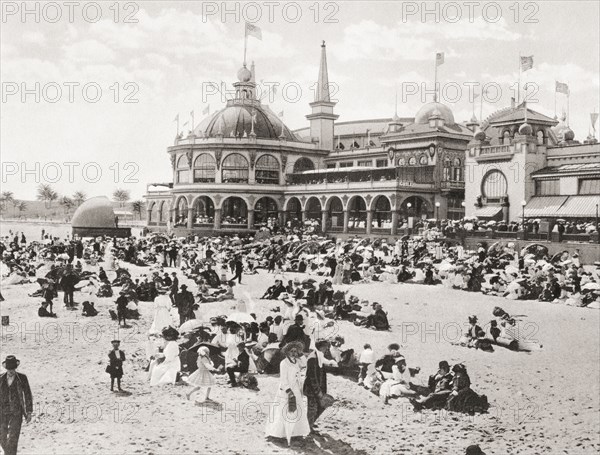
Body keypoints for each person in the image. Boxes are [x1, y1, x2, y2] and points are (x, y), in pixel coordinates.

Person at [265, 341, 310, 446]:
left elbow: (305, 363)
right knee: (284, 411)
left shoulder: (297, 361)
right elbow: (283, 379)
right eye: (292, 351)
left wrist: (301, 355)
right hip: (286, 390)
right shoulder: (284, 363)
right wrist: (289, 391)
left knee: (296, 410)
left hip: (297, 389)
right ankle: (279, 434)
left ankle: (296, 433)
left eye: (295, 351)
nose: (294, 353)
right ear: (287, 352)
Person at [0, 355, 33, 455]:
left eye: (13, 368)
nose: (11, 371)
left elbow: (27, 394)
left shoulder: (22, 378)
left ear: (15, 368)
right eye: (9, 369)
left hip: (17, 412)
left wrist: (29, 411)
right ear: (6, 368)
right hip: (2, 413)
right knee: (2, 437)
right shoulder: (0, 379)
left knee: (13, 439)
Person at [304, 340, 329, 433]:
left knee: (321, 405)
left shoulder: (318, 356)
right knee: (312, 408)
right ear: (322, 347)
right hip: (312, 389)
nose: (327, 349)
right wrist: (318, 391)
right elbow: (312, 377)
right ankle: (308, 427)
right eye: (326, 347)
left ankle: (311, 422)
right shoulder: (313, 358)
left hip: (317, 388)